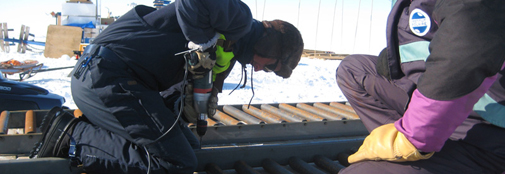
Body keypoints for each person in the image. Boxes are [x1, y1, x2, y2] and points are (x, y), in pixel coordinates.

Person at [29, 0, 304, 173]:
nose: (260, 69)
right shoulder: (239, 20)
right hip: (107, 76)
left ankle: (97, 134)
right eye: (270, 65)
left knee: (187, 149)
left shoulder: (229, 52)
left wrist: (192, 106)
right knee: (175, 164)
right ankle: (73, 136)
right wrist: (203, 45)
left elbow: (183, 91)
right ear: (270, 45)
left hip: (119, 82)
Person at [336, 0, 505, 173]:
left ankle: (421, 149)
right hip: (455, 108)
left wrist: (413, 137)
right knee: (354, 70)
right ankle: (417, 152)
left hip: (489, 133)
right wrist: (399, 57)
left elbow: (467, 54)